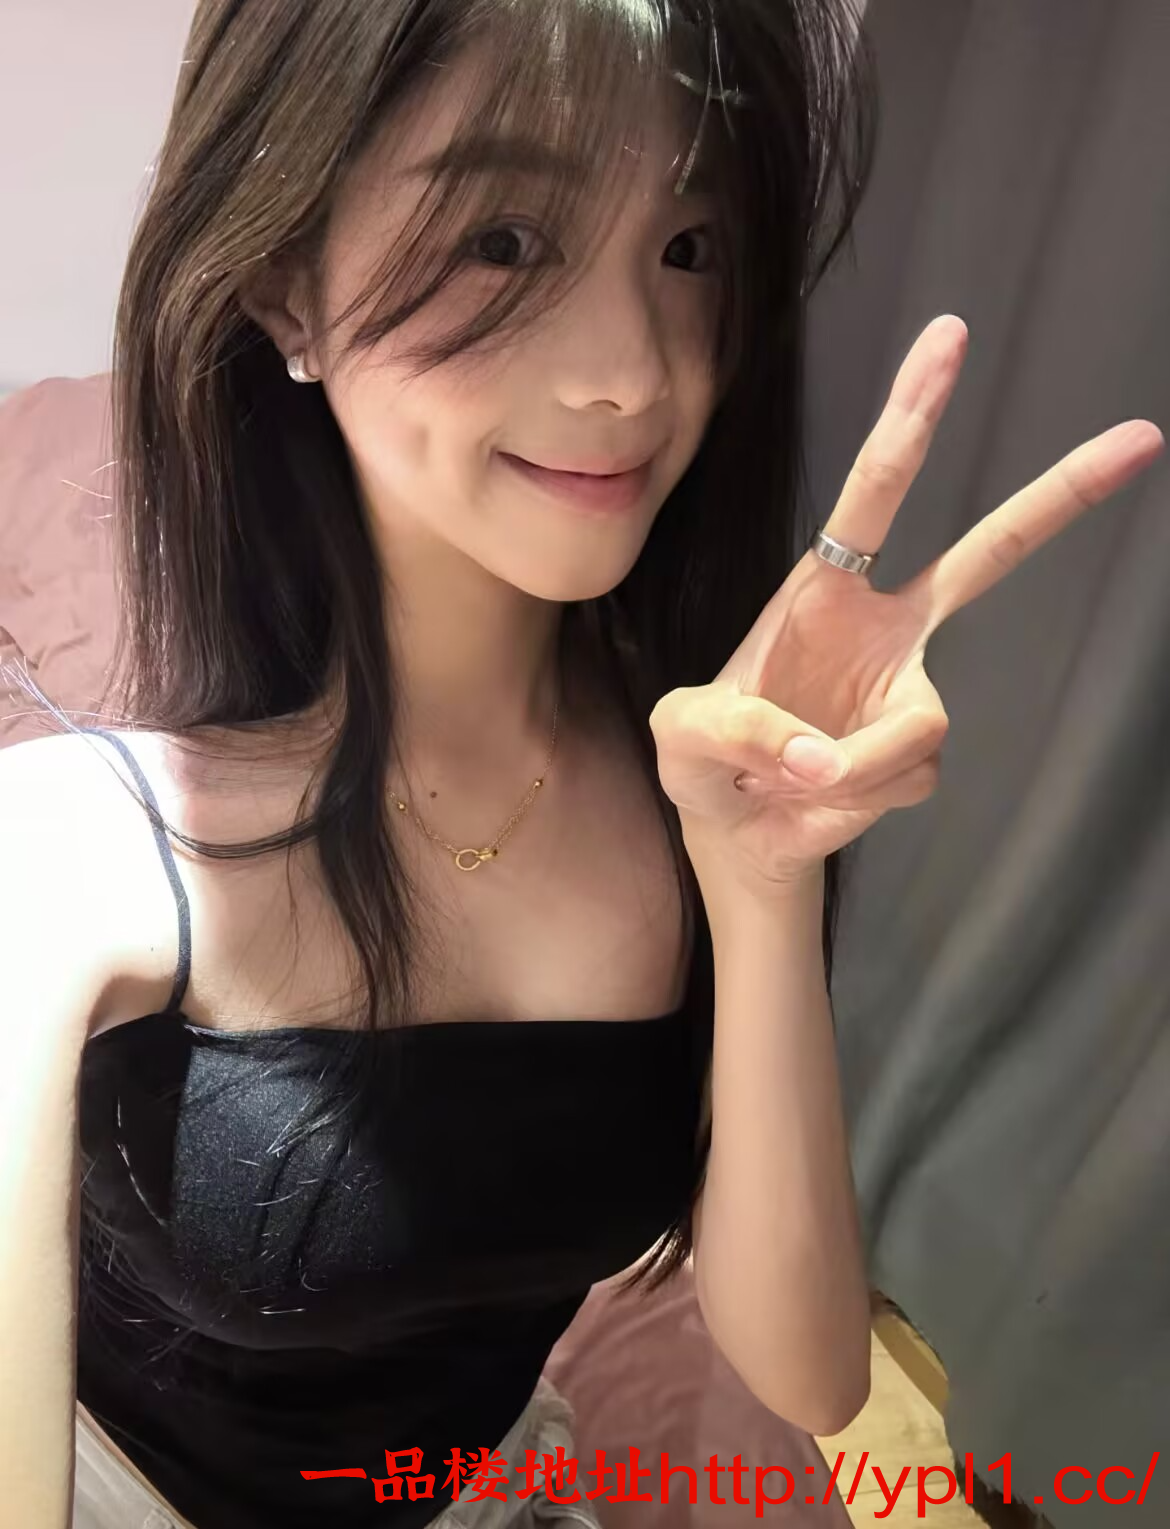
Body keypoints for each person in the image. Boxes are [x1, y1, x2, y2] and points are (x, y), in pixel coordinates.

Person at [5, 0, 1161, 1525]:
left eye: (687, 247)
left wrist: (756, 880)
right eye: (502, 238)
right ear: (286, 285)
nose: (635, 372)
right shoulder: (80, 855)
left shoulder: (702, 778)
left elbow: (811, 1377)